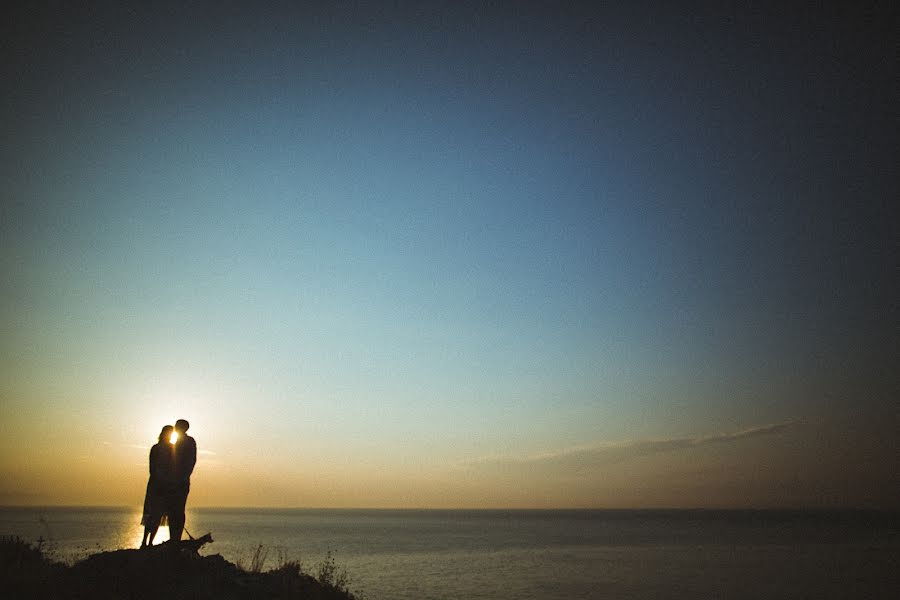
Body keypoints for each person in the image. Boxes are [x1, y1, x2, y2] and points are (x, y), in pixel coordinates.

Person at [140, 425, 174, 548]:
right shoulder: (158, 448)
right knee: (153, 514)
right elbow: (153, 467)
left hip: (162, 484)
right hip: (157, 484)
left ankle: (148, 542)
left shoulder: (169, 448)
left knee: (157, 515)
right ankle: (145, 541)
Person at [168, 418, 197, 542]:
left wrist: (183, 476)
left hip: (181, 481)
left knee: (178, 509)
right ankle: (173, 537)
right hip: (172, 481)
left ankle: (176, 537)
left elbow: (191, 461)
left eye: (177, 426)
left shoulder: (189, 442)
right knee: (172, 509)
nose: (175, 428)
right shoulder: (175, 442)